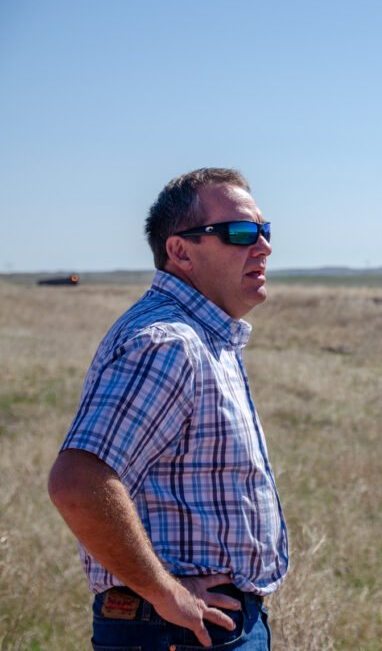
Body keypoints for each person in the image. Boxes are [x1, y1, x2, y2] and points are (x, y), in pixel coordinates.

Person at [48, 168, 288, 650]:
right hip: (177, 631)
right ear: (179, 251)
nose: (262, 246)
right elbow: (77, 482)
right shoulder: (168, 342)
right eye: (240, 233)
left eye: (265, 231)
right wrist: (166, 594)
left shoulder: (203, 336)